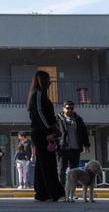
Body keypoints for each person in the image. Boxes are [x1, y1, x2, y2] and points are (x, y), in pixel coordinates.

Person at [27, 70, 63, 202]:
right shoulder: (38, 95)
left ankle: (42, 193)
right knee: (48, 163)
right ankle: (55, 193)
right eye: (48, 80)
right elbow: (40, 114)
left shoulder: (40, 95)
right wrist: (49, 130)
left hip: (42, 132)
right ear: (43, 81)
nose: (50, 82)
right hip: (42, 133)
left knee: (41, 164)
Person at [56, 101, 89, 185]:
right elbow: (53, 132)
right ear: (63, 108)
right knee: (61, 170)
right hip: (62, 148)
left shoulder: (78, 119)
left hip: (75, 149)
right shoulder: (57, 119)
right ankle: (61, 190)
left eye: (71, 108)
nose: (70, 110)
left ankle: (72, 192)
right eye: (67, 108)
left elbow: (84, 132)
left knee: (74, 171)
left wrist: (86, 144)